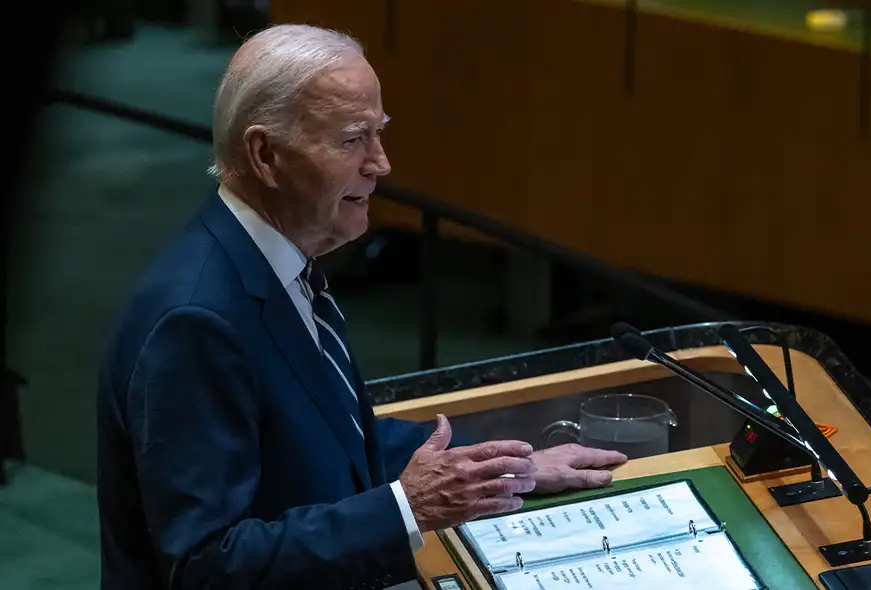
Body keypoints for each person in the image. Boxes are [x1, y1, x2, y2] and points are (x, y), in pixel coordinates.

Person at [95, 24, 627, 590]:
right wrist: (407, 510)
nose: (381, 163)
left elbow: (329, 437)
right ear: (265, 155)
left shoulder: (275, 259)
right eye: (352, 140)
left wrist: (504, 470)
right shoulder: (195, 322)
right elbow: (207, 567)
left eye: (379, 133)